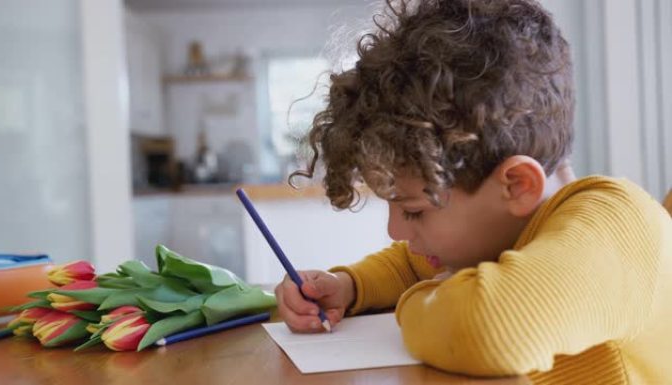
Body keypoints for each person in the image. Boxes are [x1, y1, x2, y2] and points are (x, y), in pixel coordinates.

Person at [274, 0, 672, 383]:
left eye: (414, 211)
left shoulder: (618, 223)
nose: (396, 230)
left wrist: (419, 298)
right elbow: (414, 264)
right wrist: (349, 286)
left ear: (516, 185)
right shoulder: (500, 231)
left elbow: (485, 327)